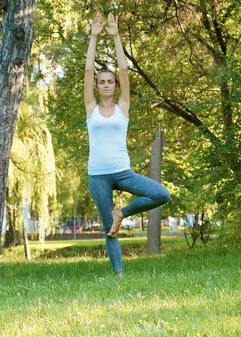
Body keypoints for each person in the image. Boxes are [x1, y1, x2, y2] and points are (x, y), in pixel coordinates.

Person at [84, 13, 171, 276]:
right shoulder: (91, 108)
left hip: (122, 172)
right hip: (98, 175)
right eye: (102, 82)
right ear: (97, 87)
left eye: (110, 82)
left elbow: (124, 70)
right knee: (107, 227)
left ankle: (122, 212)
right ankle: (119, 275)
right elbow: (88, 70)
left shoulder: (124, 107)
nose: (107, 84)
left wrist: (115, 35)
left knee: (161, 194)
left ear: (116, 85)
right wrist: (94, 36)